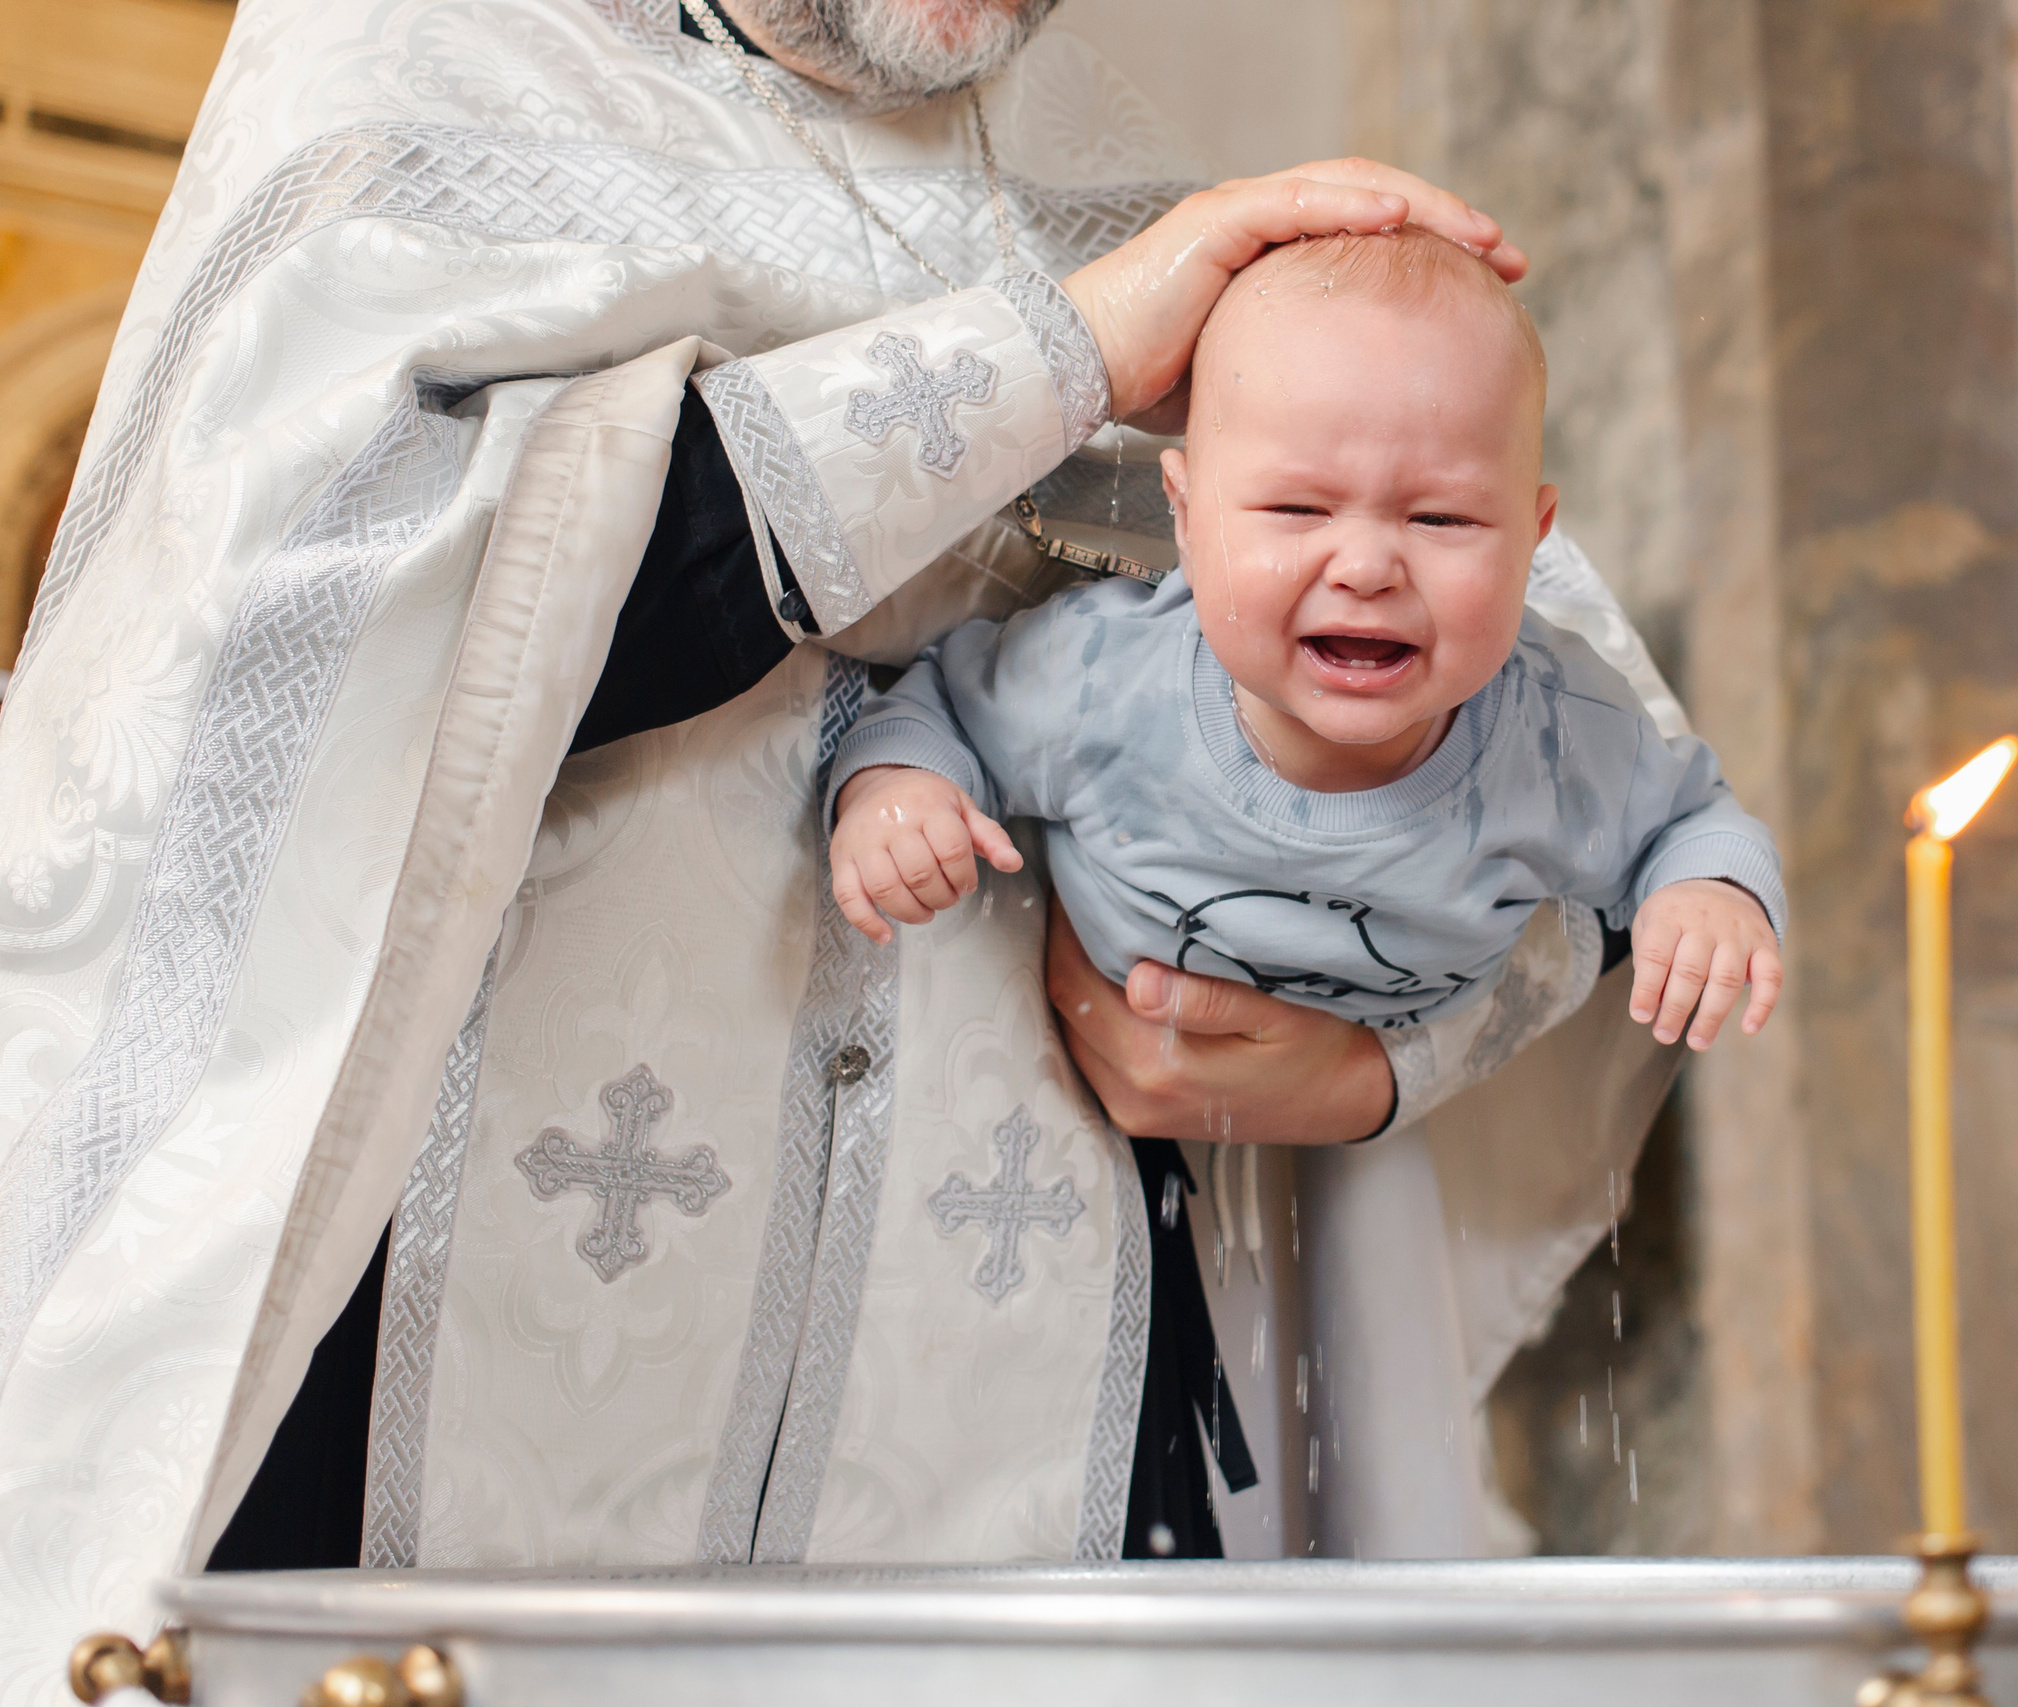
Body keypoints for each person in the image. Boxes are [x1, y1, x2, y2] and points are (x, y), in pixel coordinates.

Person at [0, 0, 1694, 1686]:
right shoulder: (410, 74)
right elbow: (331, 656)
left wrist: (1371, 1063)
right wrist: (1067, 352)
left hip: (1033, 1381)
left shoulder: (1120, 186)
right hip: (412, 1354)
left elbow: (1580, 763)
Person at [832, 232, 1786, 1046]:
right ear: (1186, 518)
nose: (1367, 567)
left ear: (1532, 540)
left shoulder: (1558, 734)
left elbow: (1688, 821)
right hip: (1106, 1051)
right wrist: (899, 793)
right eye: (1297, 508)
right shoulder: (1101, 680)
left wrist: (1708, 893)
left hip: (1398, 1077)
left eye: (1443, 519)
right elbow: (943, 708)